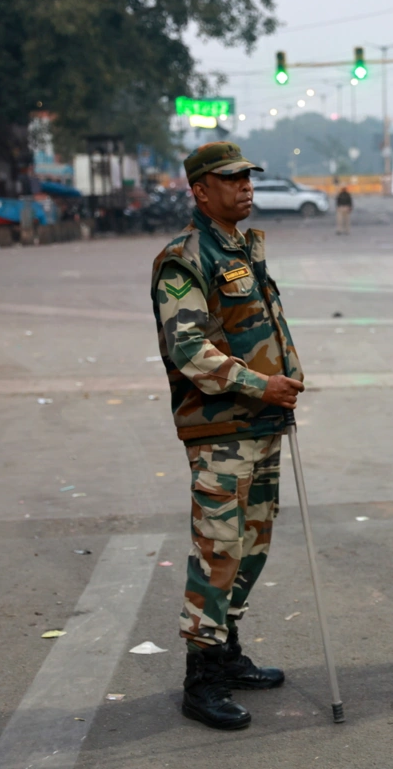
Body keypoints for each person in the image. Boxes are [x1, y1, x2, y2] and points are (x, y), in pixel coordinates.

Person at [150, 141, 306, 730]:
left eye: (247, 177)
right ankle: (202, 676)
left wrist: (282, 380)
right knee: (218, 551)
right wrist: (259, 385)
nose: (245, 187)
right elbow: (188, 349)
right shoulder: (185, 257)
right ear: (200, 190)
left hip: (263, 424)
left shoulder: (240, 247)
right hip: (222, 430)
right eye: (231, 179)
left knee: (253, 546)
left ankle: (227, 647)